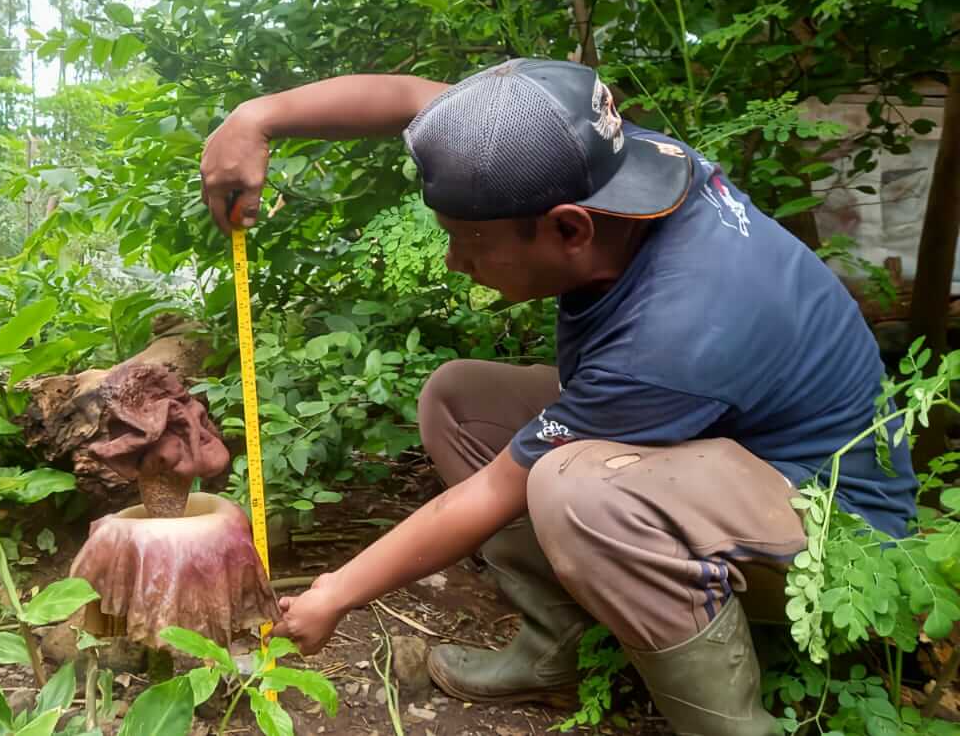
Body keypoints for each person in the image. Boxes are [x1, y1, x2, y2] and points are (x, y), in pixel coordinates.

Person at [199, 59, 917, 736]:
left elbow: (490, 494)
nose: (454, 260)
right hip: (723, 452)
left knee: (574, 489)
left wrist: (333, 592)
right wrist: (258, 117)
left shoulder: (676, 332)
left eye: (465, 240)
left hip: (831, 539)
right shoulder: (599, 158)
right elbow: (415, 99)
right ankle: (556, 652)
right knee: (458, 400)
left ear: (568, 227)